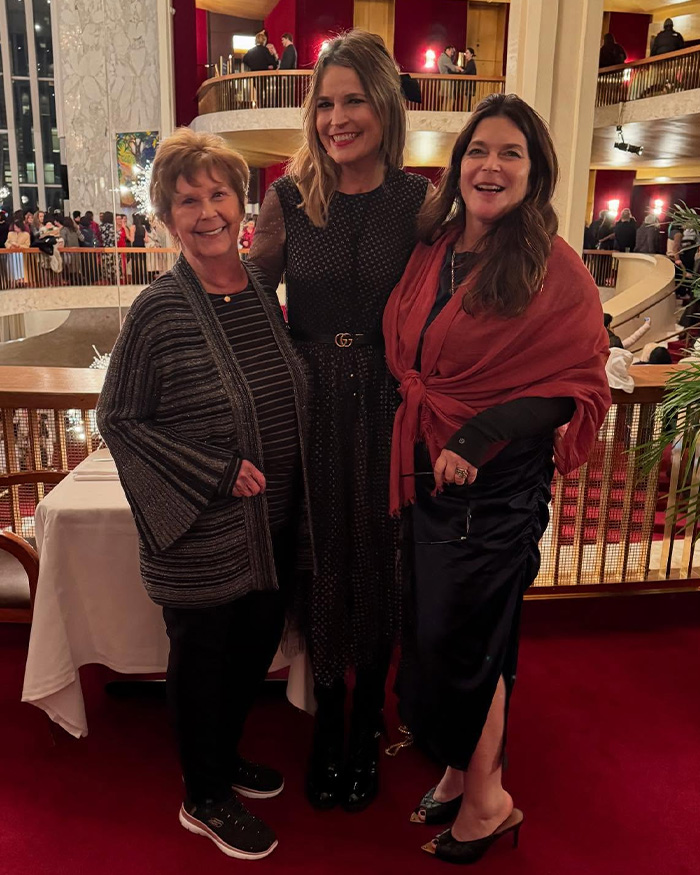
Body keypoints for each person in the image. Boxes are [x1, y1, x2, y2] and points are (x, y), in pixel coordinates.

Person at [383, 93, 610, 865]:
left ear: (535, 171)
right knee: (440, 634)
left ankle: (489, 801)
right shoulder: (438, 247)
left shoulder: (555, 266)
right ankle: (461, 772)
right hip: (429, 474)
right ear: (458, 166)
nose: (491, 165)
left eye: (511, 153)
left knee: (466, 640)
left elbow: (576, 384)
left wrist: (480, 433)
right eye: (479, 150)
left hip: (496, 489)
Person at [96, 127, 313, 861]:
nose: (207, 211)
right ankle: (203, 794)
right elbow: (118, 418)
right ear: (167, 217)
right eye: (187, 201)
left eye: (218, 194)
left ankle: (222, 758)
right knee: (204, 659)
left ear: (241, 204)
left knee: (251, 650)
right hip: (203, 531)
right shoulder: (158, 310)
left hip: (271, 520)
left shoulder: (258, 289)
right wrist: (213, 471)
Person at [250, 29, 430, 813]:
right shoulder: (289, 199)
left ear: (385, 106)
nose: (337, 119)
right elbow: (251, 300)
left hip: (390, 405)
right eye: (325, 104)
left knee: (383, 557)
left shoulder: (420, 202)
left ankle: (368, 719)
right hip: (311, 401)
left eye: (354, 100)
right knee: (321, 555)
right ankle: (327, 716)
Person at [4, 215, 31, 286]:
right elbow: (6, 243)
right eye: (14, 227)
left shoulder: (26, 235)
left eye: (17, 227)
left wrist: (19, 246)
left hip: (21, 254)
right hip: (11, 253)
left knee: (21, 267)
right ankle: (13, 281)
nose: (15, 229)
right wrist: (10, 246)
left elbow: (27, 245)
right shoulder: (10, 234)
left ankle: (22, 281)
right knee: (12, 267)